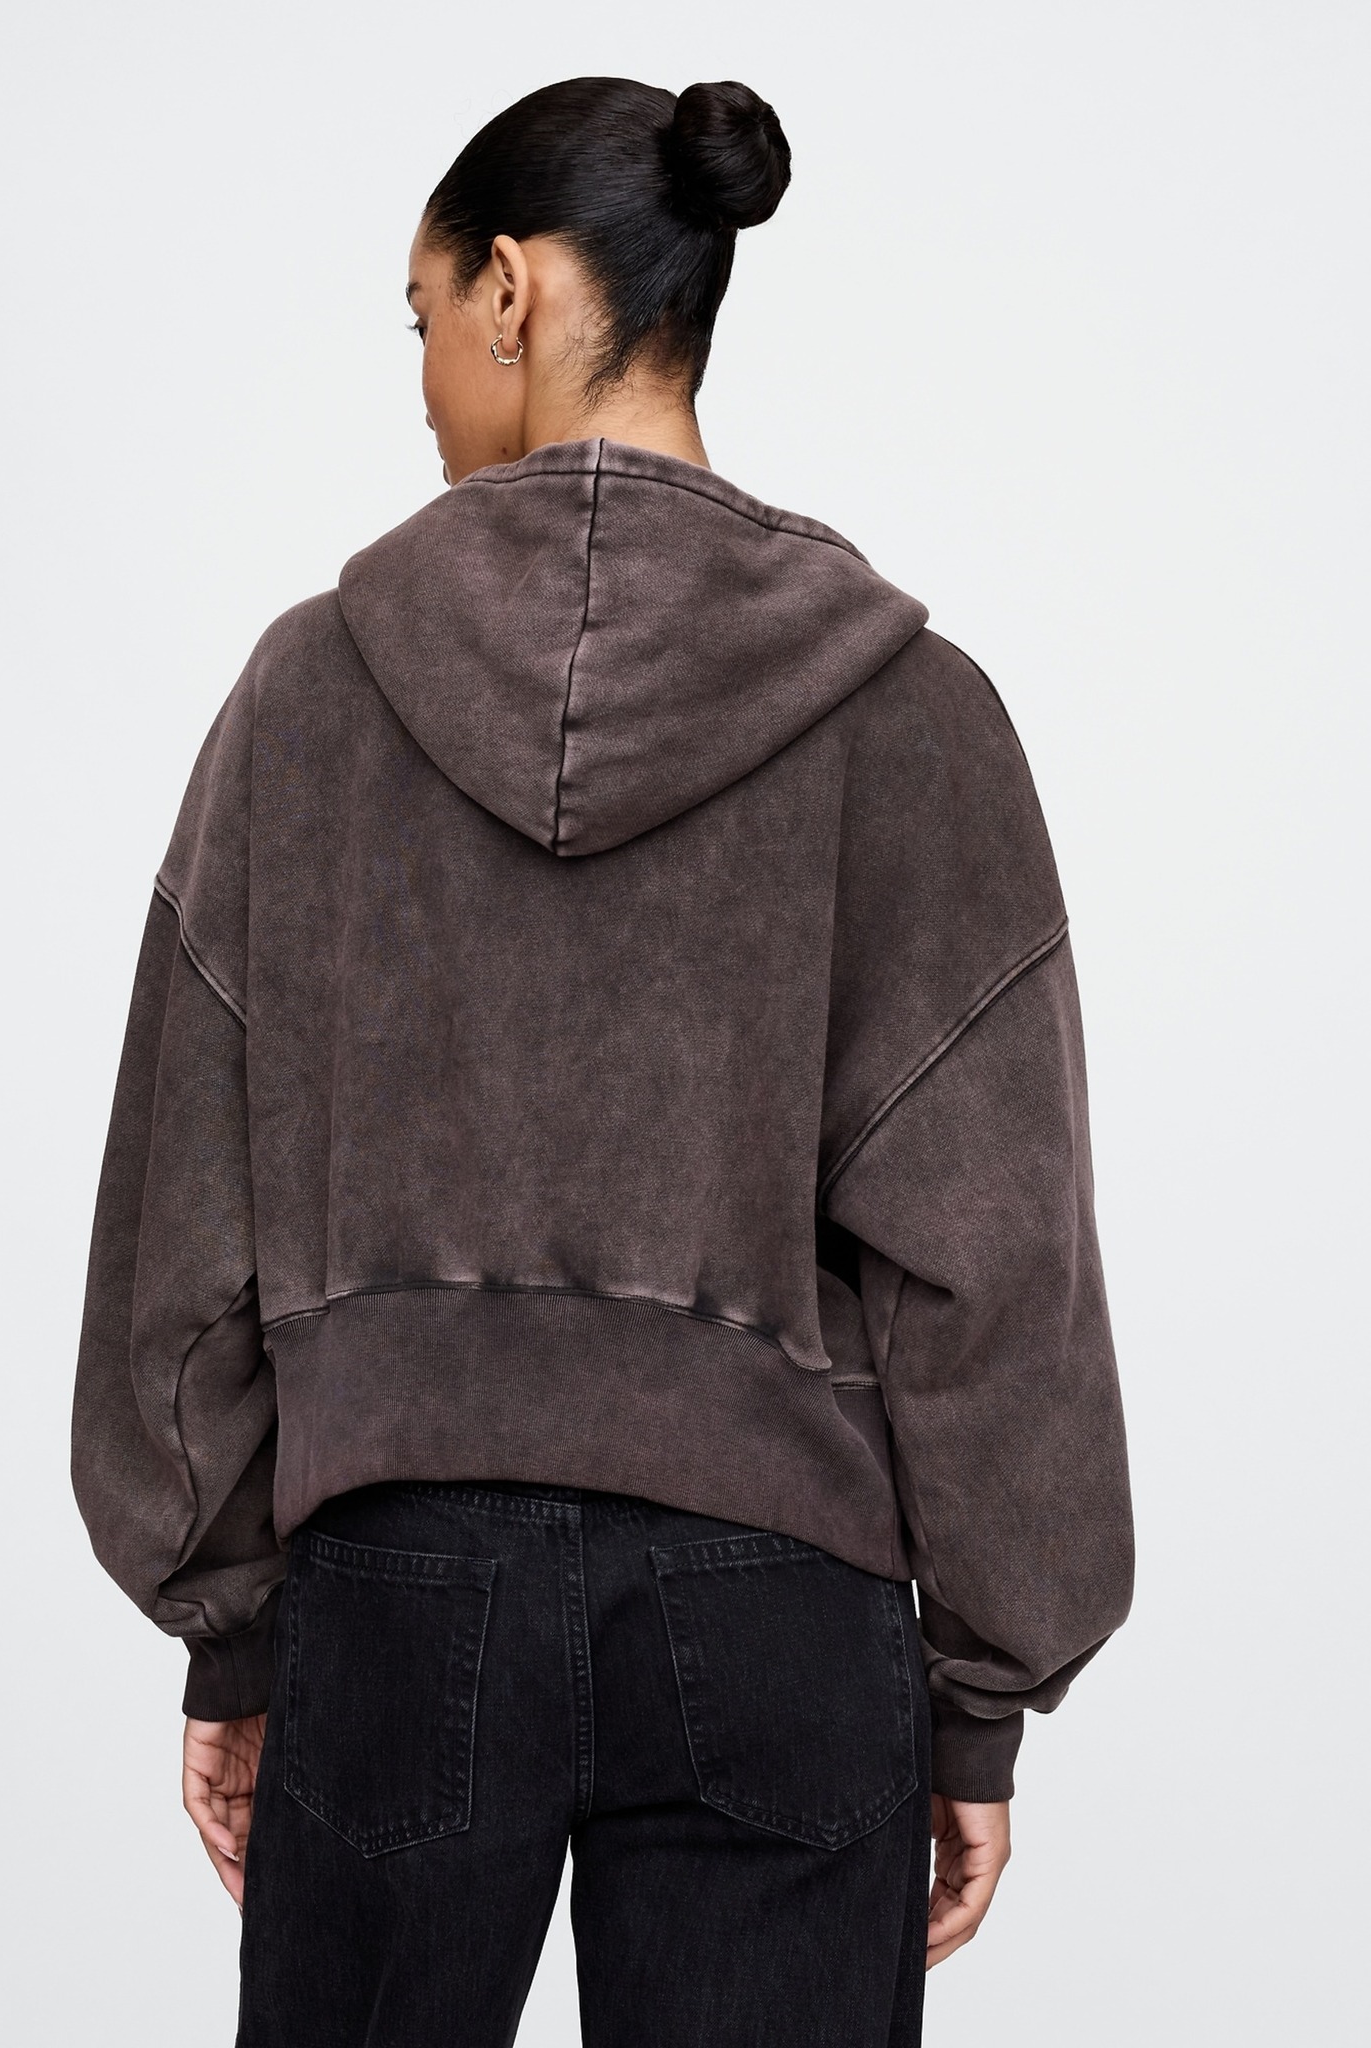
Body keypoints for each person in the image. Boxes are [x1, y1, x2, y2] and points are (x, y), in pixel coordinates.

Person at [71, 75, 1133, 2048]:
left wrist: (233, 1626)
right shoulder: (910, 715)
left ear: (513, 288)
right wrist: (981, 1695)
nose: (419, 384)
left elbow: (183, 1223)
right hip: (785, 1603)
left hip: (398, 1594)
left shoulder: (309, 697)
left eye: (420, 317)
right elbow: (996, 1262)